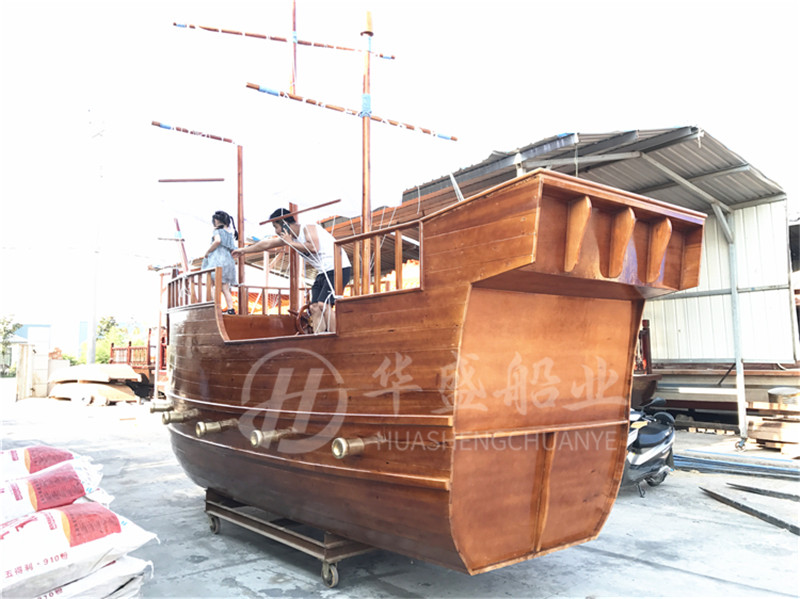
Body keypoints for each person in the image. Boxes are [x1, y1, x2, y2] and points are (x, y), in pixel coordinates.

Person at [232, 208, 352, 332]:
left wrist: (290, 243)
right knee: (314, 307)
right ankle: (319, 336)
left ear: (285, 224)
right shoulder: (291, 238)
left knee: (323, 304)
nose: (276, 231)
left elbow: (313, 247)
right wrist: (243, 250)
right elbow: (266, 244)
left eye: (276, 227)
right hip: (323, 272)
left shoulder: (307, 227)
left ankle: (335, 336)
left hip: (339, 268)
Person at [202, 210, 238, 314]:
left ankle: (216, 307)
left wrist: (208, 251)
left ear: (216, 221)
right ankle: (230, 309)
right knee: (225, 288)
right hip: (228, 261)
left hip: (217, 260)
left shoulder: (217, 231)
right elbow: (232, 249)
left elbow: (217, 241)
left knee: (212, 285)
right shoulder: (230, 233)